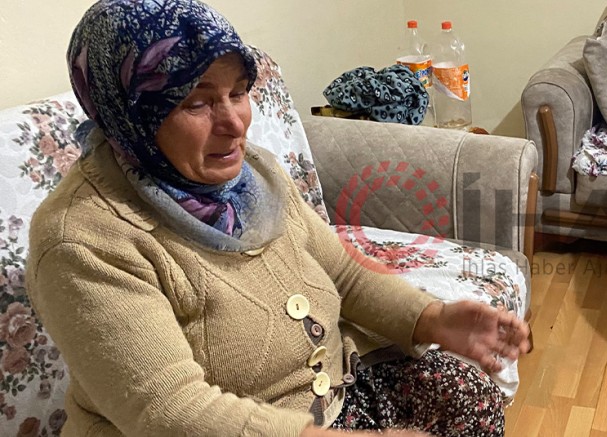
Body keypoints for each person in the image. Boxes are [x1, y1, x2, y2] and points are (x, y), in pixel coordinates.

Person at [25, 1, 529, 436]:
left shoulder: (253, 174)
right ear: (132, 113)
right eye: (197, 102)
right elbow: (168, 411)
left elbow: (344, 274)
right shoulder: (82, 240)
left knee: (466, 397)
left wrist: (433, 318)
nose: (235, 123)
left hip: (330, 396)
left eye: (238, 92)